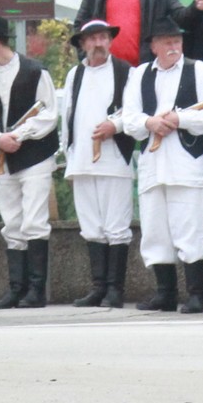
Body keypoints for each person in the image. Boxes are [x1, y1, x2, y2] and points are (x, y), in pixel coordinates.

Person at [118, 18, 203, 312]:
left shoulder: (197, 70)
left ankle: (196, 294)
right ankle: (165, 292)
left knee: (190, 228)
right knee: (154, 230)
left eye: (177, 41)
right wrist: (150, 122)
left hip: (186, 163)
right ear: (153, 46)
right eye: (167, 42)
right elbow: (129, 119)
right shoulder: (139, 75)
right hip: (153, 163)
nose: (174, 47)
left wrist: (181, 119)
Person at [0, 13, 58, 311]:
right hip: (4, 159)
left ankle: (36, 290)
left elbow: (48, 113)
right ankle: (16, 288)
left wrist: (19, 134)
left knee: (34, 220)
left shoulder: (35, 72)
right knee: (12, 221)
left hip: (35, 156)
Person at [59, 17, 137, 308]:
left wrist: (113, 126)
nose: (98, 43)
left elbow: (132, 109)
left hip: (114, 158)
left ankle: (115, 289)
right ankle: (98, 287)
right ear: (82, 44)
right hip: (81, 160)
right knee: (91, 225)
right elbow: (68, 115)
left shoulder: (125, 72)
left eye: (103, 37)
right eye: (91, 39)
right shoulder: (74, 75)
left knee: (116, 224)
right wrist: (69, 153)